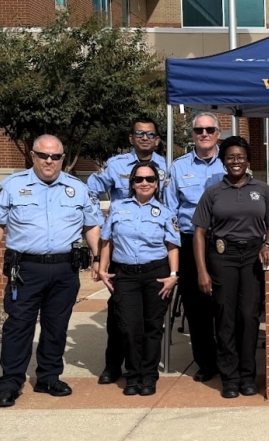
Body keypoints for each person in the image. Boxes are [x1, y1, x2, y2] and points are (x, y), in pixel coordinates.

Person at [0, 135, 103, 408]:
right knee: (19, 325)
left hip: (64, 270)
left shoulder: (77, 188)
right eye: (44, 155)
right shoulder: (13, 186)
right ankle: (10, 382)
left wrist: (98, 258)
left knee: (56, 326)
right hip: (26, 269)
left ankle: (48, 377)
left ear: (62, 158)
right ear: (33, 156)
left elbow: (92, 224)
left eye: (55, 156)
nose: (50, 161)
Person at [192, 135, 269, 399]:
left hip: (253, 257)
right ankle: (229, 378)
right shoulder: (213, 193)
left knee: (249, 316)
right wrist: (202, 271)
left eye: (240, 157)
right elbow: (199, 233)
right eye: (230, 157)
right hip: (222, 257)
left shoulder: (262, 190)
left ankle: (247, 375)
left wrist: (268, 245)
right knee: (225, 317)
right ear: (223, 161)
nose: (235, 161)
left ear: (248, 160)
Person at [87, 116, 167, 385]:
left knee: (150, 316)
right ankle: (113, 364)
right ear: (131, 138)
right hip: (121, 250)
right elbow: (91, 191)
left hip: (153, 249)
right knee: (119, 314)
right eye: (139, 134)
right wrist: (102, 224)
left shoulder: (166, 167)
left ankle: (145, 369)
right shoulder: (116, 164)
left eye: (150, 134)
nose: (145, 138)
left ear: (157, 140)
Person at [96, 162, 179, 396]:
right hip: (126, 276)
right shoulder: (118, 208)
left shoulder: (165, 212)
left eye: (150, 179)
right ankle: (132, 375)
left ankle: (148, 376)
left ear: (157, 184)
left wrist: (173, 275)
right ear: (132, 184)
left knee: (153, 327)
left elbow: (172, 245)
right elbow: (107, 241)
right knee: (129, 327)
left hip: (156, 274)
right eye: (139, 179)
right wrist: (102, 269)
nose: (144, 183)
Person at [164, 111, 226, 383]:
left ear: (218, 133)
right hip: (189, 242)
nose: (204, 134)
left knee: (225, 304)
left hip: (223, 242)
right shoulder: (178, 168)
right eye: (199, 130)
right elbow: (170, 212)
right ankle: (206, 362)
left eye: (209, 129)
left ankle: (227, 359)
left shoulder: (230, 161)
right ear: (192, 135)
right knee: (196, 307)